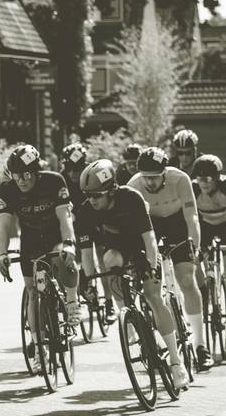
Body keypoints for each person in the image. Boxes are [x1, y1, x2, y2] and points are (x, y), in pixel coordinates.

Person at [77, 159, 190, 390]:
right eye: (88, 195)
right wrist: (88, 281)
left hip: (142, 248)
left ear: (111, 190)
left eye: (97, 195)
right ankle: (126, 316)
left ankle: (177, 364)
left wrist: (150, 265)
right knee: (110, 260)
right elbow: (87, 254)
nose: (92, 200)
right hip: (118, 249)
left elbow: (149, 240)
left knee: (153, 296)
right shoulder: (86, 211)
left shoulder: (131, 198)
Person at [0, 144, 82, 357]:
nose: (21, 181)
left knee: (62, 258)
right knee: (33, 291)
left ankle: (71, 300)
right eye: (16, 176)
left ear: (36, 172)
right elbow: (3, 226)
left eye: (26, 175)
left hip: (55, 234)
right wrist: (1, 252)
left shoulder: (54, 181)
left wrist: (69, 242)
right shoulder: (8, 189)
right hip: (30, 240)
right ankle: (39, 345)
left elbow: (65, 217)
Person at [127, 147, 212, 371]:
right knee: (151, 287)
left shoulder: (180, 179)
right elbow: (132, 227)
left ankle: (201, 345)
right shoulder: (133, 186)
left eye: (154, 177)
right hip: (150, 227)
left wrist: (194, 244)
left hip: (177, 224)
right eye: (146, 177)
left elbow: (192, 217)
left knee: (186, 279)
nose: (150, 182)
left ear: (164, 172)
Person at [191, 154, 226, 343]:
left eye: (207, 178)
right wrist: (194, 244)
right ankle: (206, 290)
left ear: (217, 177)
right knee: (195, 260)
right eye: (199, 178)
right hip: (204, 227)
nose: (203, 183)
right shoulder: (193, 187)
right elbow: (191, 218)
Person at [62, 142, 114, 325]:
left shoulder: (92, 176)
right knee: (82, 256)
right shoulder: (62, 179)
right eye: (70, 169)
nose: (74, 174)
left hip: (97, 220)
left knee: (103, 256)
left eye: (78, 169)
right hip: (76, 222)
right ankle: (87, 285)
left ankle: (109, 303)